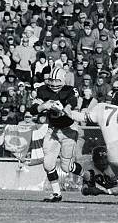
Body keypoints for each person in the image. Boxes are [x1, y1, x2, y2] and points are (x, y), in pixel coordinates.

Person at [30, 67, 85, 202]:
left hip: (69, 130)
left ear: (63, 80)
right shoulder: (42, 90)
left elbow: (73, 101)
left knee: (66, 167)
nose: (54, 84)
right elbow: (32, 110)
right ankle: (56, 193)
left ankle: (88, 176)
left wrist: (66, 108)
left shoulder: (69, 90)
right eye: (52, 80)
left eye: (57, 81)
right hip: (53, 130)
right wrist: (43, 106)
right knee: (48, 164)